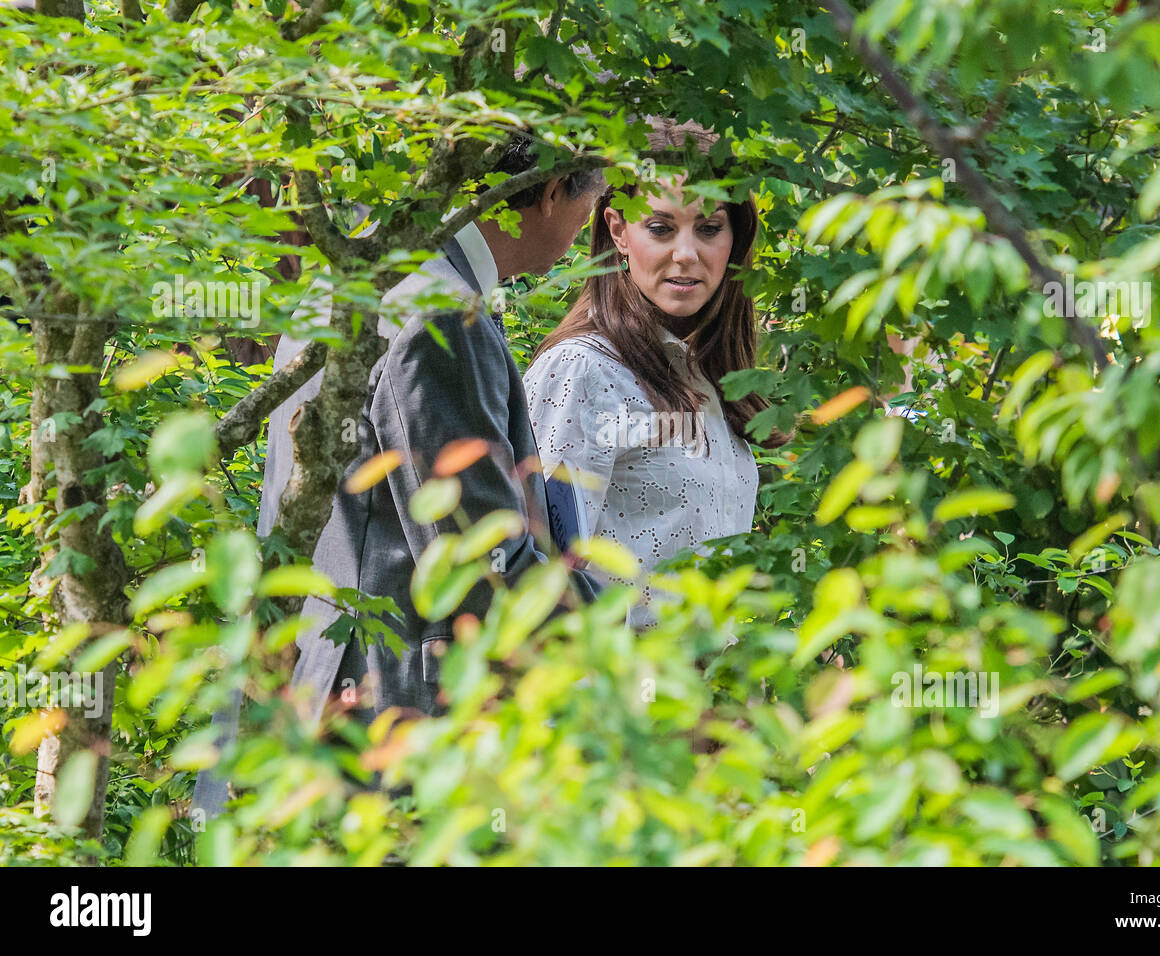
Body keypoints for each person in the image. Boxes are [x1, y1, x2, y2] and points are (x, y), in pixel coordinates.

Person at [192, 134, 608, 818]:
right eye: (593, 194)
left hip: (318, 687)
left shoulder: (359, 275)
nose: (592, 217)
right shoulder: (443, 316)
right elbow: (474, 561)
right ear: (556, 190)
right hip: (393, 713)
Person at [523, 119, 782, 630]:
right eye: (660, 228)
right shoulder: (583, 370)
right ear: (618, 230)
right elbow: (542, 578)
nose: (686, 253)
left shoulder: (707, 377)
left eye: (709, 229)